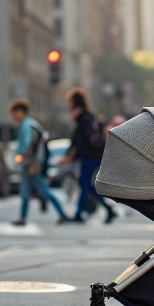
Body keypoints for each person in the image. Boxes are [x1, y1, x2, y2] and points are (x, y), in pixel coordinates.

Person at [9, 99, 70, 226]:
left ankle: (62, 213)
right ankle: (22, 218)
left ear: (20, 112)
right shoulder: (29, 125)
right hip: (29, 164)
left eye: (15, 112)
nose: (13, 116)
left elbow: (29, 145)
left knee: (44, 191)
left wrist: (31, 162)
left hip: (31, 164)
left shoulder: (27, 126)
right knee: (25, 191)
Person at [62, 87, 117, 223]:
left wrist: (70, 155)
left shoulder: (83, 118)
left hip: (90, 156)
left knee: (85, 185)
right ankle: (107, 209)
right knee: (87, 185)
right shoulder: (89, 116)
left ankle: (80, 214)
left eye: (70, 101)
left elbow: (78, 140)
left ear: (75, 102)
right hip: (95, 155)